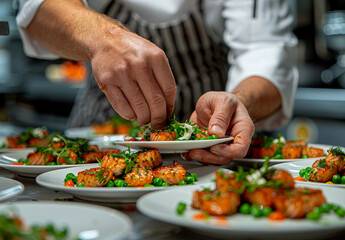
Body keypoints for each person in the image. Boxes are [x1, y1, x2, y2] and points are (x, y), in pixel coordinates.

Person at [16, 0, 298, 164]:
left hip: (210, 143)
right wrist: (104, 39)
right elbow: (36, 9)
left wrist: (239, 102)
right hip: (99, 143)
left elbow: (266, 51)